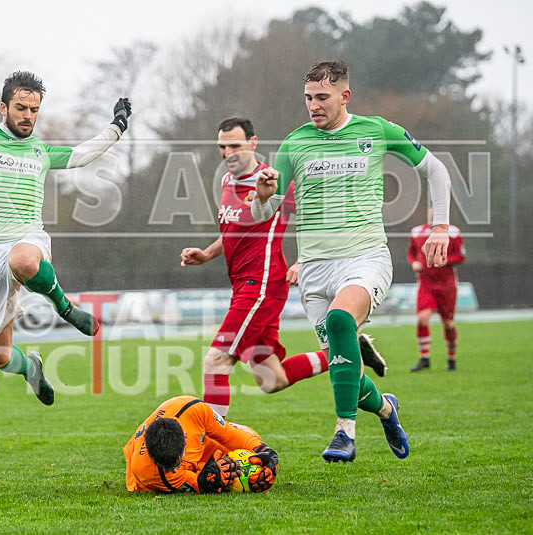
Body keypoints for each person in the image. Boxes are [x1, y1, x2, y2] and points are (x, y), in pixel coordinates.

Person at [0, 19, 131, 406]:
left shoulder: (41, 151)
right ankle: (30, 368)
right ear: (4, 107)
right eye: (21, 108)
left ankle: (65, 307)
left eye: (34, 109)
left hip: (25, 240)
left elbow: (81, 155)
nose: (29, 115)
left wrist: (116, 127)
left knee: (25, 259)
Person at [251, 60, 453, 462]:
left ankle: (344, 433)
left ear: (345, 96)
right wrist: (261, 195)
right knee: (347, 365)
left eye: (322, 97)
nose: (313, 105)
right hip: (313, 271)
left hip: (365, 258)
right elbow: (265, 213)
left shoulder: (375, 130)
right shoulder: (294, 143)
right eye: (308, 98)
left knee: (342, 322)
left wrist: (441, 227)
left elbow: (436, 168)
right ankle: (386, 409)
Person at [180, 116, 386, 419]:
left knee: (216, 361)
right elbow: (235, 232)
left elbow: (319, 216)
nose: (228, 153)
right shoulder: (227, 181)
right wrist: (207, 254)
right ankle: (344, 351)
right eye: (222, 147)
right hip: (244, 286)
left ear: (253, 143)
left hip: (261, 287)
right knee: (271, 379)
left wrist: (304, 260)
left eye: (235, 145)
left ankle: (213, 448)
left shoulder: (273, 181)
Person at [123, 396, 279, 493]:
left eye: (177, 463)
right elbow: (197, 483)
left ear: (185, 438)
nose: (176, 469)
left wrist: (265, 451)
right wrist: (208, 481)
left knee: (251, 437)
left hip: (196, 440)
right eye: (171, 468)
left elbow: (229, 434)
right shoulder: (153, 473)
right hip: (146, 474)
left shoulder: (193, 409)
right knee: (222, 478)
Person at [408, 209, 465, 372]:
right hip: (426, 284)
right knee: (422, 319)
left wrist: (446, 260)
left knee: (448, 324)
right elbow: (411, 254)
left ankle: (451, 358)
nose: (434, 212)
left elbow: (460, 256)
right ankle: (424, 358)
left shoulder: (453, 233)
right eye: (431, 209)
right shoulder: (417, 232)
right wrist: (414, 263)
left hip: (446, 285)